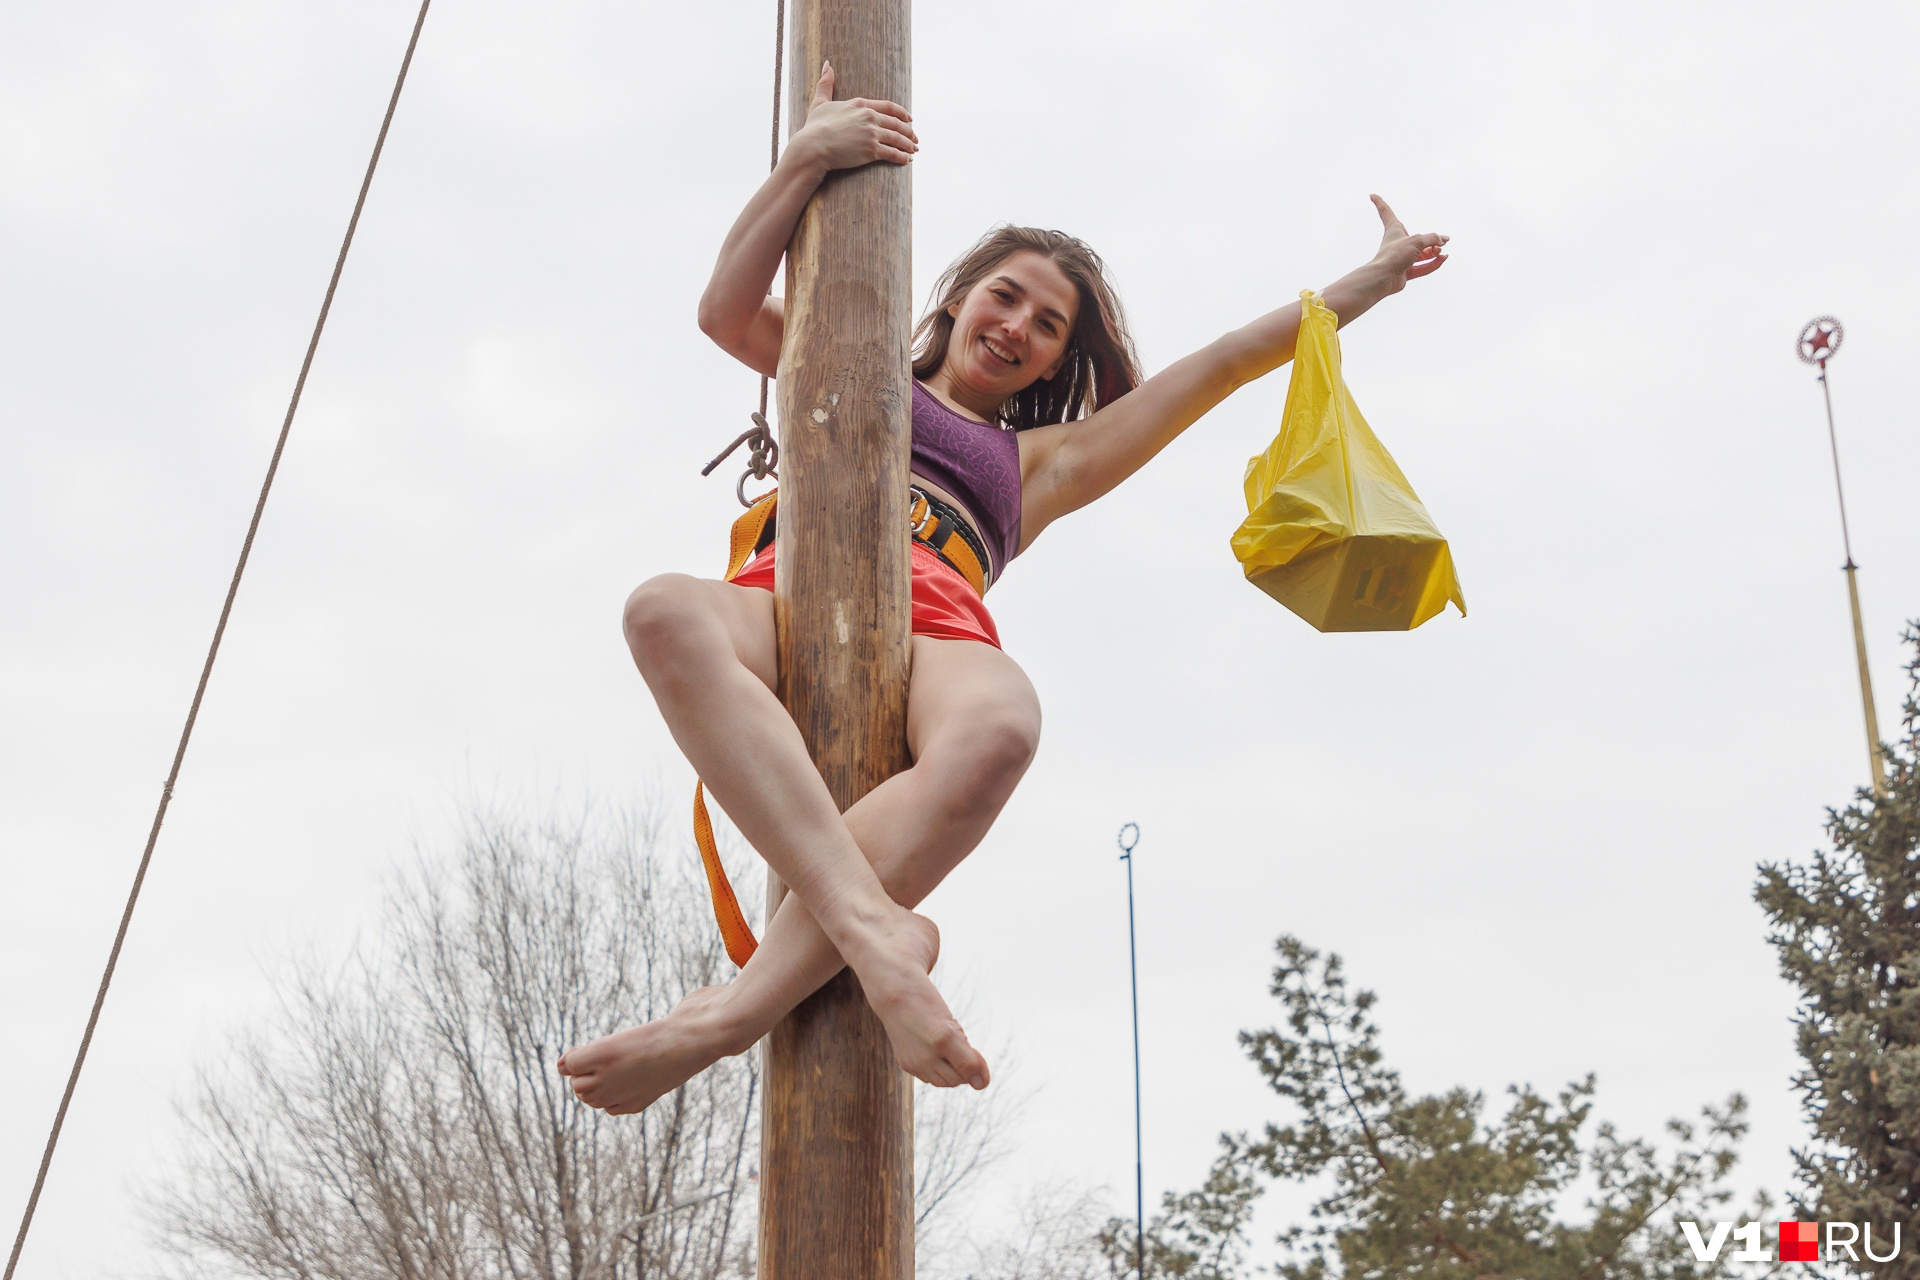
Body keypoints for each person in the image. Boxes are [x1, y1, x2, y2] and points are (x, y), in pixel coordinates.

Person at [558, 62, 1446, 1115]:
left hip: (938, 616)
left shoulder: (1042, 462)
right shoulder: (838, 351)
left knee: (1003, 723)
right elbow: (724, 308)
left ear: (1057, 360)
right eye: (1006, 294)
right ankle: (878, 933)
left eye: (1049, 323)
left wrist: (1365, 285)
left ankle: (730, 1013)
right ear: (962, 296)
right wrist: (806, 156)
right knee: (661, 606)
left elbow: (1214, 366)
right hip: (782, 585)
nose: (1018, 323)